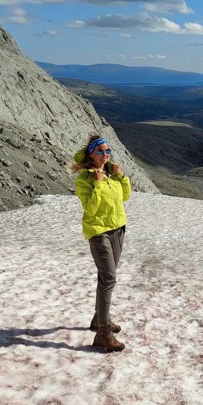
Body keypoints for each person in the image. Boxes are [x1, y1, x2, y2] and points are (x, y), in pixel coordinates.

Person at [71, 134, 132, 351]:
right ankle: (103, 333)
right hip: (99, 232)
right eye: (100, 152)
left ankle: (99, 317)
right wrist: (97, 185)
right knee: (109, 278)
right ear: (91, 154)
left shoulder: (110, 172)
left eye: (108, 151)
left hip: (117, 228)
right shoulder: (85, 179)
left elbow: (124, 197)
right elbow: (90, 209)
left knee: (105, 277)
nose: (105, 155)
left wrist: (121, 177)